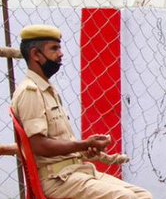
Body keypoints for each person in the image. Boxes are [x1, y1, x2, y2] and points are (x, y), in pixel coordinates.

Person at [11, 24, 151, 199]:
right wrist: (83, 144)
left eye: (59, 47)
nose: (60, 53)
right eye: (54, 48)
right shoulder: (30, 92)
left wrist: (86, 150)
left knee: (143, 196)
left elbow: (57, 143)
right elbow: (38, 145)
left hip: (76, 171)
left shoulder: (47, 89)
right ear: (35, 55)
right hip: (56, 180)